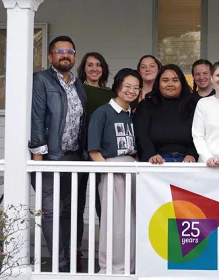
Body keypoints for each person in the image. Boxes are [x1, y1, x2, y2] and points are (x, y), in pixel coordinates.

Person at [29, 35, 87, 272]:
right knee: (51, 213)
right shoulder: (41, 80)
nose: (66, 54)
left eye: (70, 51)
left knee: (68, 212)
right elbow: (36, 117)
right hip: (50, 157)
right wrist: (38, 159)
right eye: (60, 51)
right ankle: (59, 266)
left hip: (73, 157)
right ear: (50, 56)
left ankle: (69, 261)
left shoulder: (77, 83)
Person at [88, 68, 140, 274]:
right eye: (127, 86)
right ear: (117, 87)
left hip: (131, 170)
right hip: (111, 170)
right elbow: (93, 149)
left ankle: (131, 265)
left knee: (131, 220)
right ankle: (112, 267)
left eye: (136, 88)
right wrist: (107, 171)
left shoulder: (130, 115)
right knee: (114, 222)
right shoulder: (102, 113)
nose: (131, 91)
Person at [76, 51, 114, 269]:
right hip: (79, 152)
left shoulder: (110, 95)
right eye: (90, 65)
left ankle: (106, 254)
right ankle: (76, 252)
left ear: (104, 68)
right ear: (84, 68)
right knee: (77, 204)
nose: (94, 69)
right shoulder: (77, 90)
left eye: (98, 65)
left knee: (103, 204)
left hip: (102, 154)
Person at [134, 64, 198, 163]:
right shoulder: (146, 105)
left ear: (182, 83)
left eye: (175, 80)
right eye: (165, 80)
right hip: (156, 161)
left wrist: (192, 154)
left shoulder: (193, 105)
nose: (170, 84)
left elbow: (201, 134)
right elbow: (141, 135)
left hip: (188, 161)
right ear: (158, 83)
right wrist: (151, 155)